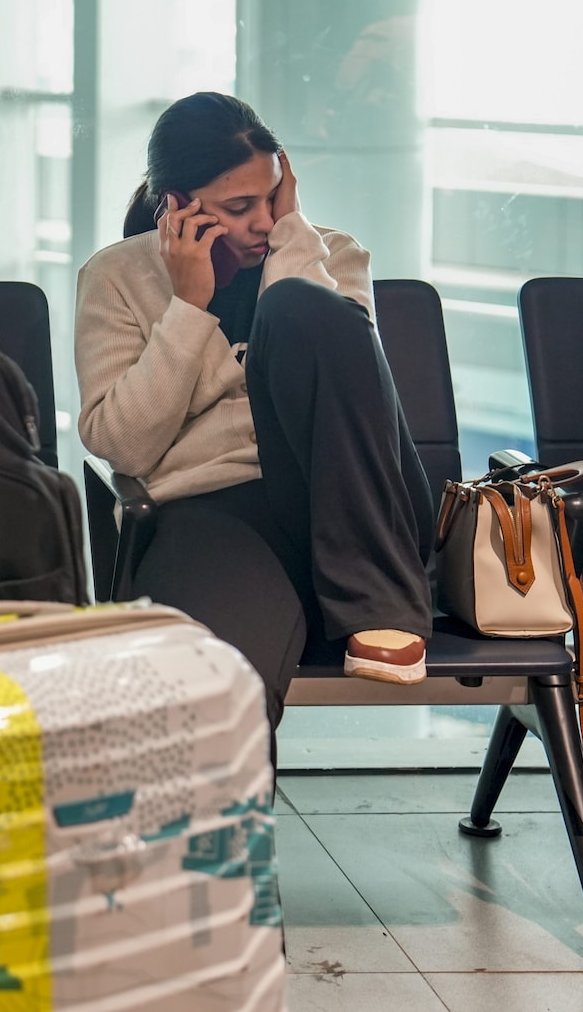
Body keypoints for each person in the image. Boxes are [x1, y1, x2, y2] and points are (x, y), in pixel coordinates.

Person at [74, 91, 434, 764]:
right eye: (239, 207)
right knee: (211, 700)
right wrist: (189, 308)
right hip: (217, 517)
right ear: (175, 204)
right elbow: (124, 443)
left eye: (272, 196)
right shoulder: (117, 277)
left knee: (304, 306)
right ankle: (220, 869)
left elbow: (346, 385)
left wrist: (293, 241)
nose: (262, 221)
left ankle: (380, 605)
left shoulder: (330, 256)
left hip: (355, 504)